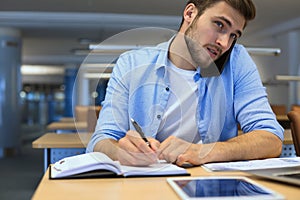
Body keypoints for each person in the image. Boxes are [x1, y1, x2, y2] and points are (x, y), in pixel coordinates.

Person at [86, 0, 284, 167]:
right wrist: (120, 151)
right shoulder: (131, 63)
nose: (225, 43)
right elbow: (101, 140)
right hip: (145, 185)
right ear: (190, 13)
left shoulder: (237, 61)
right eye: (220, 25)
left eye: (233, 35)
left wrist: (203, 152)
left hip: (212, 189)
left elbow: (271, 139)